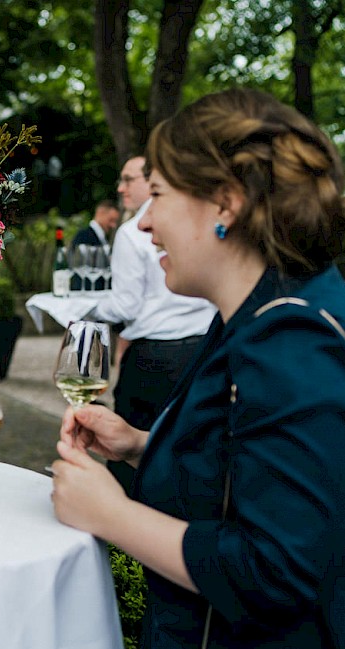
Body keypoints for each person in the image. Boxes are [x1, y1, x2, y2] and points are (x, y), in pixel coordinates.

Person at [52, 88, 345, 649]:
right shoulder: (263, 311)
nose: (143, 222)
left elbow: (276, 570)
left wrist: (110, 514)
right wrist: (141, 446)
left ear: (225, 204)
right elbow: (258, 473)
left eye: (157, 194)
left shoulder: (294, 340)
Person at [90, 155, 217, 490]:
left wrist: (84, 310)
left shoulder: (132, 233)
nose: (121, 188)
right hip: (202, 351)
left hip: (153, 361)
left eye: (130, 179)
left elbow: (125, 305)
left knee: (131, 477)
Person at [70, 199, 119, 290]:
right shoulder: (83, 236)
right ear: (100, 213)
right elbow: (81, 268)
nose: (113, 225)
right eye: (111, 220)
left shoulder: (103, 238)